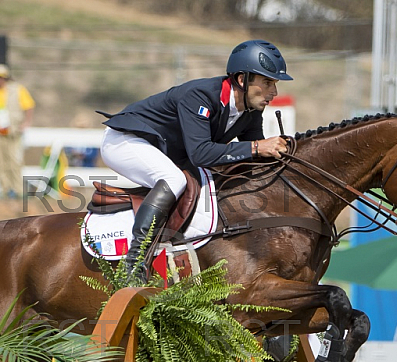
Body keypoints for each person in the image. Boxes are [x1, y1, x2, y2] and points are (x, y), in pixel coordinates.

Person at [100, 39, 291, 282]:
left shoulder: (251, 110)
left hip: (164, 150)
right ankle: (134, 264)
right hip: (125, 140)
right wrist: (256, 147)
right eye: (267, 83)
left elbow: (253, 159)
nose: (273, 92)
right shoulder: (200, 95)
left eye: (274, 84)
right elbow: (201, 154)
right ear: (242, 80)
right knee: (173, 179)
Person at [0, 63, 35, 199]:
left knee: (14, 160)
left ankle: (19, 191)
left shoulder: (17, 90)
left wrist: (26, 122)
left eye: (2, 77)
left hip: (13, 131)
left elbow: (29, 105)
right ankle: (5, 191)